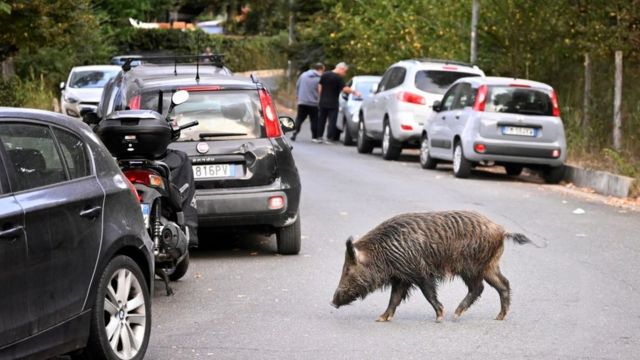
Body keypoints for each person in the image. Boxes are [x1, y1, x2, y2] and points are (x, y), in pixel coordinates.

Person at [317, 62, 360, 144]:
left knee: (321, 120)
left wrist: (320, 96)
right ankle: (329, 138)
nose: (344, 74)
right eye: (345, 71)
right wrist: (354, 92)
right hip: (333, 103)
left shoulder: (325, 74)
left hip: (323, 101)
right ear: (341, 69)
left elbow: (320, 86)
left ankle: (319, 137)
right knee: (332, 121)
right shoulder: (338, 78)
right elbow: (344, 89)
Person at [291, 62, 324, 141]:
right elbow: (320, 91)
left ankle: (295, 132)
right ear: (320, 69)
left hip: (302, 101)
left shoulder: (303, 75)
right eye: (323, 70)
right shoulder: (320, 78)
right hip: (313, 103)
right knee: (314, 120)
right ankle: (314, 137)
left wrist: (297, 95)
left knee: (299, 118)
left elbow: (297, 85)